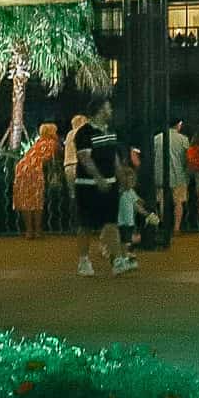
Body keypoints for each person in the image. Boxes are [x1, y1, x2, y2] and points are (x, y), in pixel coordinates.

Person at [72, 99, 123, 275]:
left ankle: (117, 260)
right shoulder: (84, 133)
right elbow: (85, 158)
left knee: (111, 223)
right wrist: (98, 178)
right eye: (108, 107)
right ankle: (84, 260)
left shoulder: (110, 131)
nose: (111, 110)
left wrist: (120, 176)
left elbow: (114, 156)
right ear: (100, 110)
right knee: (86, 225)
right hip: (87, 186)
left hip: (109, 183)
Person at [12, 123, 60, 239]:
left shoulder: (38, 143)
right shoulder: (52, 143)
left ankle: (29, 231)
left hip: (21, 169)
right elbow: (52, 162)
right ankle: (38, 230)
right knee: (37, 200)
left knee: (25, 201)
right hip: (36, 170)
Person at [114, 165, 160, 275]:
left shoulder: (131, 192)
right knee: (125, 241)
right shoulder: (119, 193)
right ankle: (123, 259)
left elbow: (137, 205)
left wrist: (147, 215)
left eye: (132, 180)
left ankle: (124, 258)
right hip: (120, 222)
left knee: (126, 241)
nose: (132, 182)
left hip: (129, 222)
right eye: (129, 180)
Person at [150, 117, 191, 236]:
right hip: (179, 175)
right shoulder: (183, 139)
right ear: (179, 124)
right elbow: (187, 158)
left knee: (163, 201)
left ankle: (164, 225)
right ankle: (176, 228)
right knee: (178, 202)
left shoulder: (157, 138)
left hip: (159, 174)